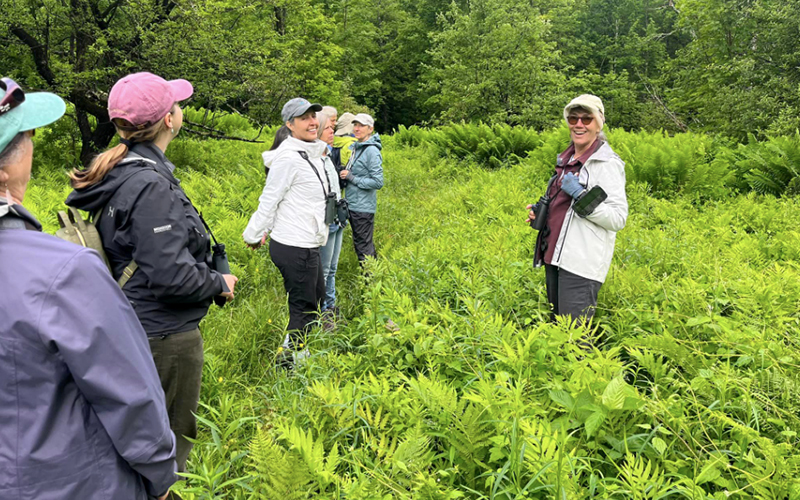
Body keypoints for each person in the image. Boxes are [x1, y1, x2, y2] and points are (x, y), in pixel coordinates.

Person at [0, 78, 176, 499]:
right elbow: (131, 399)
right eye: (28, 135)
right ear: (11, 165)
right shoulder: (62, 272)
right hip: (72, 483)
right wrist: (162, 479)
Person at [65, 72, 238, 475]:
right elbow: (171, 278)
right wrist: (218, 282)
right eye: (176, 106)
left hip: (131, 324)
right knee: (166, 449)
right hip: (164, 336)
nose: (180, 111)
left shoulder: (119, 169)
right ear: (168, 120)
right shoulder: (149, 184)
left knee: (134, 441)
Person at [243, 98, 339, 357]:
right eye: (304, 118)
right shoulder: (288, 158)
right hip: (294, 245)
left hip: (310, 242)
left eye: (313, 116)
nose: (311, 122)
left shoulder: (312, 153)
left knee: (317, 301)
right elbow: (270, 199)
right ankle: (290, 363)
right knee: (304, 309)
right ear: (289, 124)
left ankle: (297, 353)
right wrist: (254, 233)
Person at [527, 94, 628, 326]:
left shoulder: (607, 164)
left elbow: (618, 218)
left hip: (581, 264)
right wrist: (542, 212)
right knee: (558, 331)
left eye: (586, 119)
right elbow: (564, 208)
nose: (579, 125)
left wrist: (581, 196)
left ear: (599, 122)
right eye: (573, 119)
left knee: (575, 339)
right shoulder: (567, 159)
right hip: (554, 256)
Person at [339, 113, 383, 262]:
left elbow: (378, 182)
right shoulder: (358, 147)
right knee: (361, 244)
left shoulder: (371, 151)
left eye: (361, 126)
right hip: (353, 204)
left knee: (363, 246)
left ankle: (370, 282)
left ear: (370, 129)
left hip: (363, 207)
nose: (357, 129)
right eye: (355, 125)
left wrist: (352, 178)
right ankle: (371, 279)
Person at [316, 112, 345, 324]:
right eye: (327, 128)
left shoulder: (328, 155)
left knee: (332, 268)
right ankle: (323, 312)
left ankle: (331, 307)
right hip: (325, 221)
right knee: (323, 270)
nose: (332, 131)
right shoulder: (314, 159)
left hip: (337, 218)